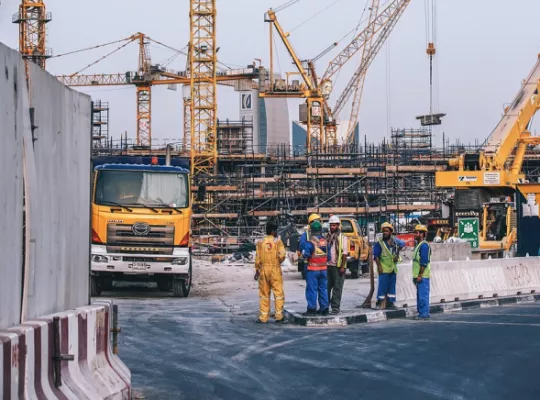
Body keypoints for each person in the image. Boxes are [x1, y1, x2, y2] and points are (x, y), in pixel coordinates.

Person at [254, 219, 287, 324]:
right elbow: (282, 255)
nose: (276, 232)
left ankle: (263, 317)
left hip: (263, 270)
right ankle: (279, 317)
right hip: (275, 270)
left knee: (264, 294)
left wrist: (257, 271)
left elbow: (257, 258)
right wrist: (278, 261)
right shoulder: (277, 242)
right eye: (276, 230)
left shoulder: (260, 243)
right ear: (273, 231)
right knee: (278, 294)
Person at [373, 222, 405, 309]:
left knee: (391, 286)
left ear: (391, 232)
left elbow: (402, 244)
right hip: (384, 268)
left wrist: (397, 253)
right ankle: (379, 302)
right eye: (384, 231)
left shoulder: (394, 241)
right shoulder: (380, 242)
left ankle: (390, 303)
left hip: (393, 268)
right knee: (382, 286)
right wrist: (379, 266)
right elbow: (376, 255)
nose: (385, 233)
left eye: (387, 231)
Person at [302, 219, 329, 316]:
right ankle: (324, 309)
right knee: (323, 289)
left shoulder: (310, 243)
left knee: (312, 289)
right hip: (324, 270)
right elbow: (328, 257)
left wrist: (303, 254)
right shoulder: (325, 242)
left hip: (313, 270)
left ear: (311, 231)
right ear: (321, 230)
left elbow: (306, 255)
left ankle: (312, 309)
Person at [326, 215, 348, 314]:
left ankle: (335, 308)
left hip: (338, 266)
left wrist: (342, 266)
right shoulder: (327, 236)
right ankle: (325, 306)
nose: (332, 227)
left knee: (337, 288)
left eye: (334, 225)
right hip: (328, 265)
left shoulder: (342, 237)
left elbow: (344, 253)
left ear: (338, 226)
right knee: (326, 287)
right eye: (331, 225)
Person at [413, 224, 431, 320]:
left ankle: (424, 314)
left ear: (422, 234)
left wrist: (420, 274)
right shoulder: (419, 245)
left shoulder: (424, 246)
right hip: (418, 275)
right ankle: (421, 313)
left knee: (423, 296)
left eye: (416, 233)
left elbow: (424, 262)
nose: (414, 234)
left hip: (422, 275)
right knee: (420, 296)